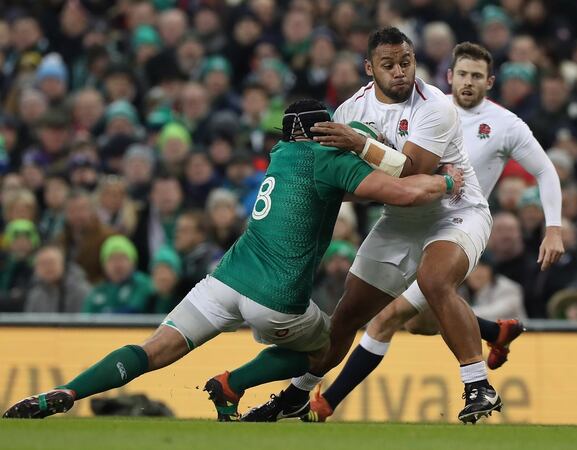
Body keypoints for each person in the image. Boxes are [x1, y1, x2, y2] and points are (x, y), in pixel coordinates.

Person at [2, 99, 462, 421]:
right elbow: (401, 192)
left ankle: (67, 391)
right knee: (327, 344)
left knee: (154, 349)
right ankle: (232, 384)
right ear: (323, 130)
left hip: (226, 278)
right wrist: (446, 183)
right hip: (276, 296)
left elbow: (331, 191)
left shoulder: (282, 154)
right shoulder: (329, 158)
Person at [293, 42, 564, 424]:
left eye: (477, 76)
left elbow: (545, 170)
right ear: (451, 75)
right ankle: (493, 332)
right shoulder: (362, 108)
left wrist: (553, 227)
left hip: (457, 218)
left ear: (490, 81)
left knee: (406, 304)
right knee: (416, 321)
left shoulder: (497, 122)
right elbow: (362, 179)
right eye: (463, 74)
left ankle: (330, 401)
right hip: (404, 218)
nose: (468, 82)